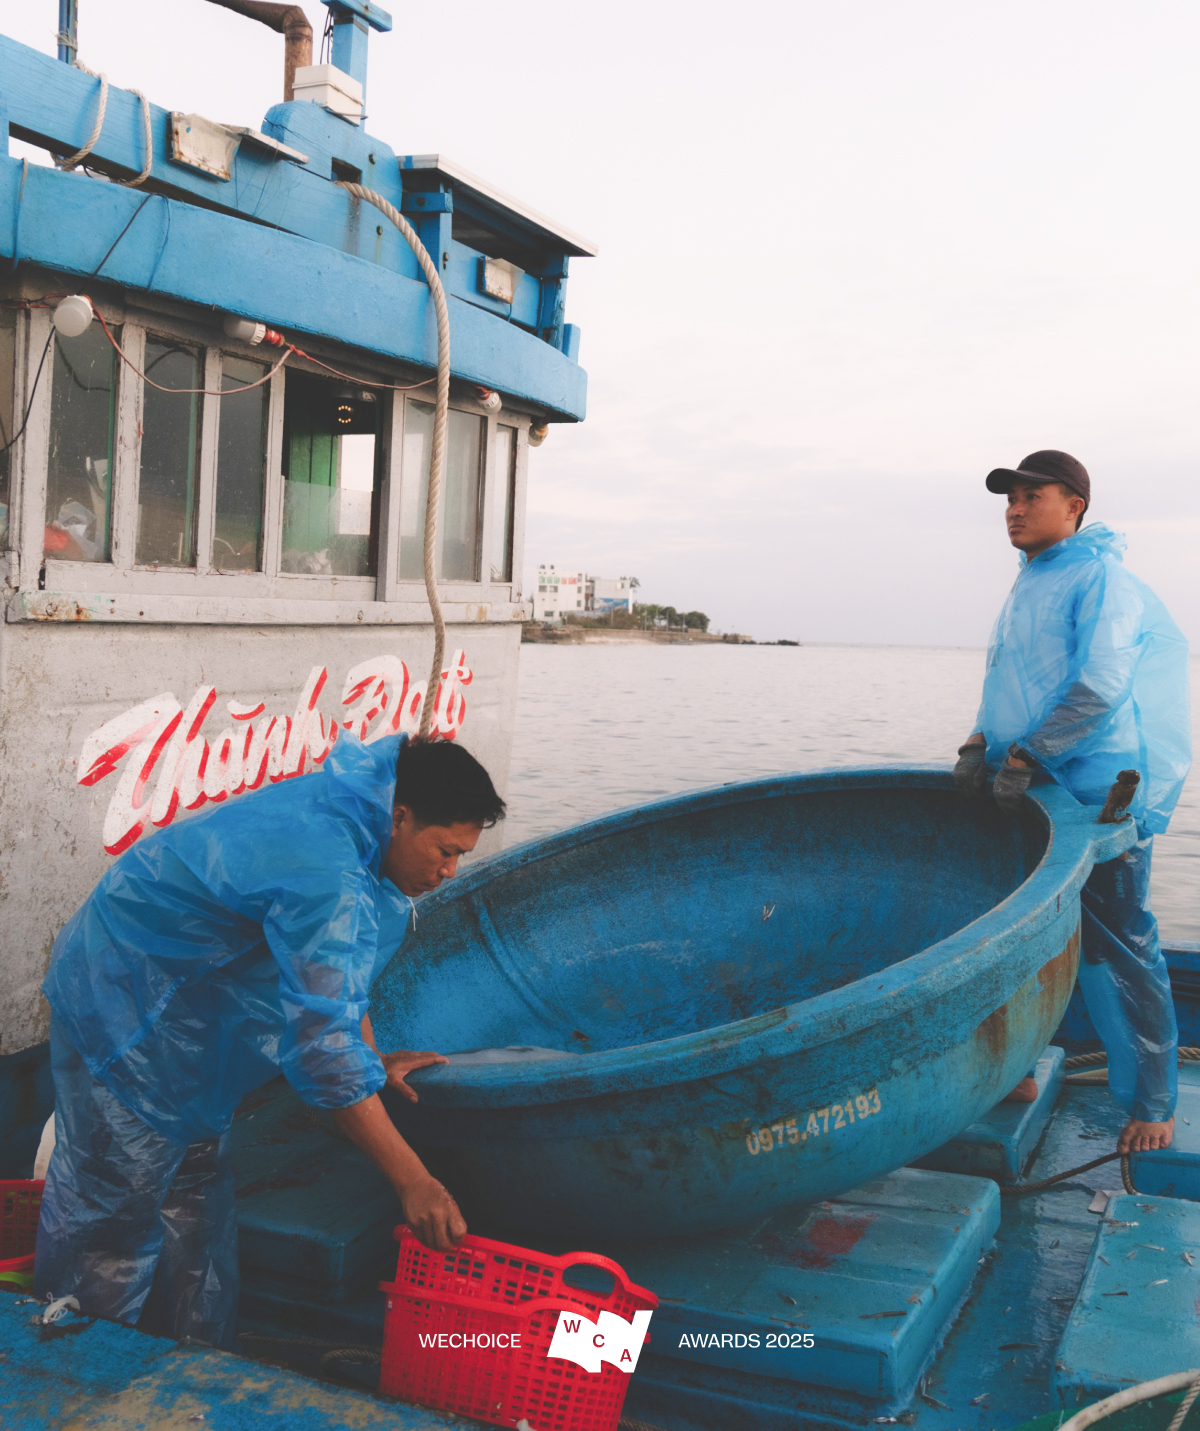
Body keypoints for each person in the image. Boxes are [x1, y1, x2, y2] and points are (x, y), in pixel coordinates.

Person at [33, 732, 504, 1349]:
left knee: (196, 1204)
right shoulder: (328, 869)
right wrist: (414, 1180)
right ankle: (75, 1367)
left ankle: (196, 1364)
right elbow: (322, 1052)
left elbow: (333, 982)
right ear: (401, 817)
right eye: (445, 851)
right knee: (111, 1221)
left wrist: (370, 1058)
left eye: (461, 857)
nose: (449, 872)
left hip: (190, 1024)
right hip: (124, 1011)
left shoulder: (355, 813)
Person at [954, 450, 1191, 1157]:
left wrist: (1032, 754)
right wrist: (979, 741)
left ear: (1074, 504)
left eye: (1032, 495)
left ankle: (1152, 1101)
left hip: (1093, 795)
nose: (1015, 509)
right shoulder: (1030, 580)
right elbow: (1008, 680)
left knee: (1118, 943)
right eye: (1010, 499)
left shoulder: (1100, 577)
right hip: (1027, 784)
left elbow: (1101, 683)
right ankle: (1017, 1067)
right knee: (1021, 933)